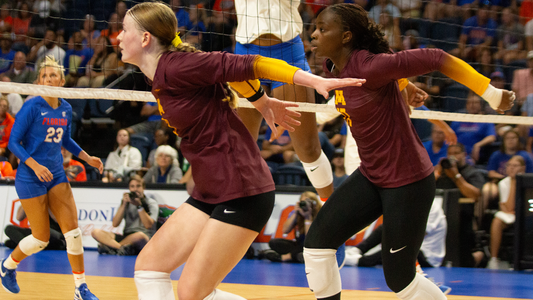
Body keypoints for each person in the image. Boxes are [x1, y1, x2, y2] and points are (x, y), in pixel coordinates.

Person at [116, 2, 364, 300]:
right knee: (149, 268)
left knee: (191, 292)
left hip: (243, 191)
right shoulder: (159, 71)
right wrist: (260, 99)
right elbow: (231, 72)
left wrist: (314, 81)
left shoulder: (179, 66)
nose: (117, 36)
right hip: (211, 190)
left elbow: (251, 64)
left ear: (145, 39)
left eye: (124, 29)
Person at [302, 4, 514, 300]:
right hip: (373, 174)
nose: (313, 34)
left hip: (408, 181)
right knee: (317, 244)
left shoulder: (368, 66)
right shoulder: (333, 67)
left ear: (346, 36)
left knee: (399, 277)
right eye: (315, 28)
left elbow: (436, 58)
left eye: (323, 29)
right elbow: (387, 75)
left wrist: (492, 94)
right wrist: (405, 84)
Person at [1, 56, 103, 299]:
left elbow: (65, 140)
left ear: (62, 80)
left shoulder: (66, 107)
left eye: (53, 75)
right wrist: (35, 166)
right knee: (40, 239)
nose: (48, 79)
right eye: (44, 76)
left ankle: (81, 288)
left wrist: (87, 158)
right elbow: (13, 143)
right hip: (30, 176)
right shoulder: (31, 106)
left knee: (73, 233)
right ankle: (7, 267)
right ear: (38, 81)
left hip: (56, 174)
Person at [234, 0, 336, 201]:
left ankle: (331, 210)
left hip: (287, 51)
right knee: (240, 148)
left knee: (307, 147)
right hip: (246, 53)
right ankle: (234, 210)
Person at [345, 196, 447, 269]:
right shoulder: (411, 203)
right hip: (414, 249)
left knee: (396, 249)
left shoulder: (432, 207)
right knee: (386, 227)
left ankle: (356, 261)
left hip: (427, 258)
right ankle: (358, 250)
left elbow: (416, 234)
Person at [91, 175, 159, 256]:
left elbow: (148, 225)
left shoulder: (151, 203)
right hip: (126, 237)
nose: (135, 189)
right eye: (132, 186)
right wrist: (123, 204)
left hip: (143, 238)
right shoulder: (126, 202)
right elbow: (115, 224)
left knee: (139, 236)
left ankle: (112, 247)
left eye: (138, 186)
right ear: (129, 188)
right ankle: (121, 248)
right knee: (95, 232)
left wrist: (139, 206)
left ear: (143, 188)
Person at [487, 155, 526, 269]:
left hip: (527, 216)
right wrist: (514, 182)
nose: (511, 168)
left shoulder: (529, 180)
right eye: (509, 165)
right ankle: (493, 259)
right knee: (497, 221)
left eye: (515, 166)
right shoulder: (503, 183)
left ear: (523, 168)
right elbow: (507, 208)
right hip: (510, 216)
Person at [263, 192, 322, 263]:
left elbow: (310, 239)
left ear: (314, 203)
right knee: (274, 242)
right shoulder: (298, 213)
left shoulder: (320, 214)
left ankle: (284, 257)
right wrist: (295, 213)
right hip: (299, 245)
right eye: (303, 203)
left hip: (314, 245)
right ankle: (298, 256)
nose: (305, 205)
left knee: (307, 247)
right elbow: (285, 230)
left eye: (308, 202)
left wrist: (308, 218)